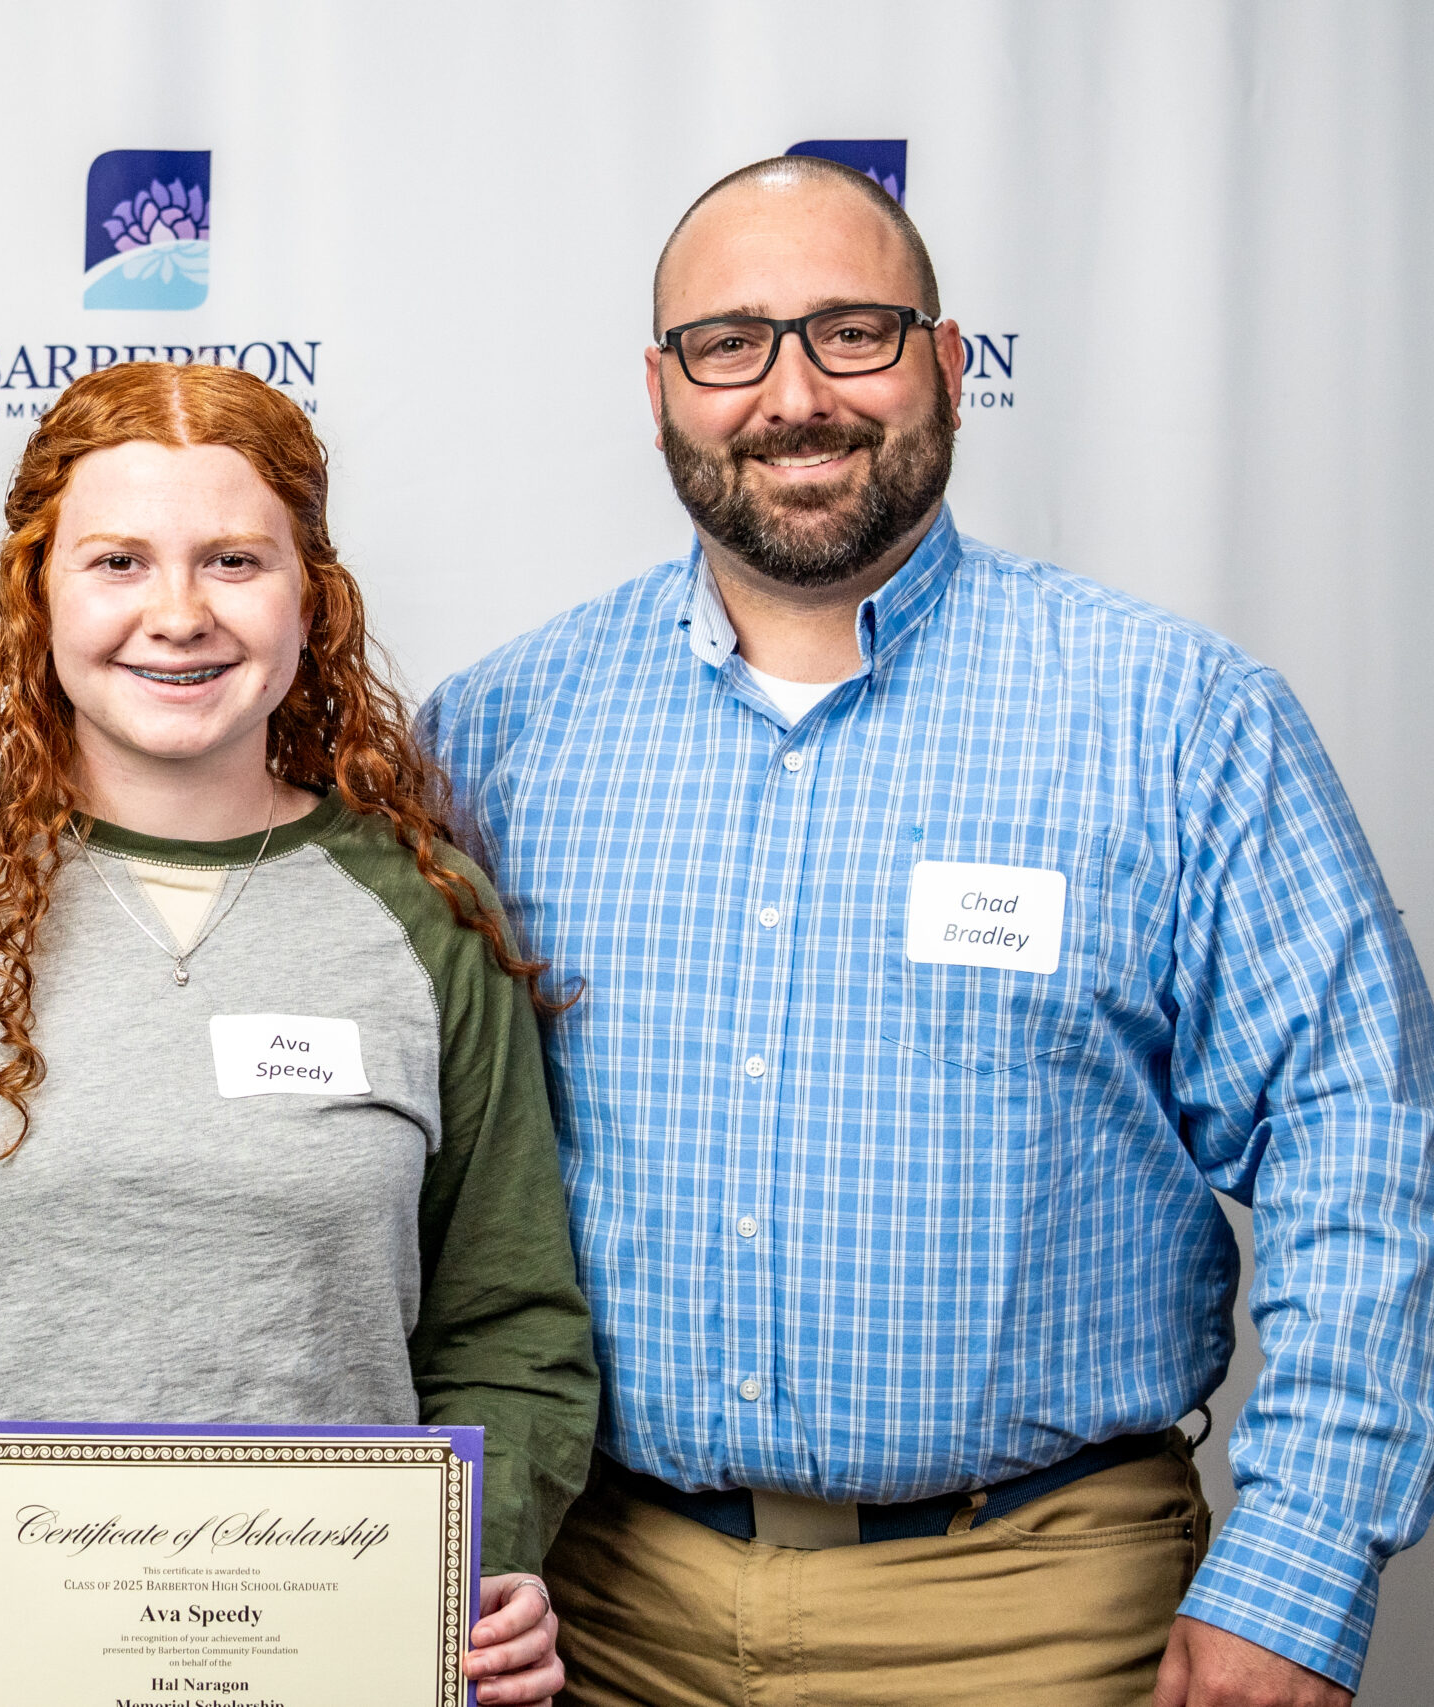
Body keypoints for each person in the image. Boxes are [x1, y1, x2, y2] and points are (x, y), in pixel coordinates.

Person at [417, 154, 1434, 1707]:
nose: (792, 392)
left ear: (949, 362)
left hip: (1037, 1609)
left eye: (855, 333)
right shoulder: (498, 732)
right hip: (596, 1606)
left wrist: (1300, 1569)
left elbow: (1361, 1140)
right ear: (660, 387)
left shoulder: (1180, 721)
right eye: (730, 343)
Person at [0, 361, 599, 1707]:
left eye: (234, 559)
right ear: (38, 591)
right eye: (118, 560)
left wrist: (471, 1564)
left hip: (339, 1675)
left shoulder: (424, 912)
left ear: (312, 597)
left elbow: (511, 1322)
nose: (179, 615)